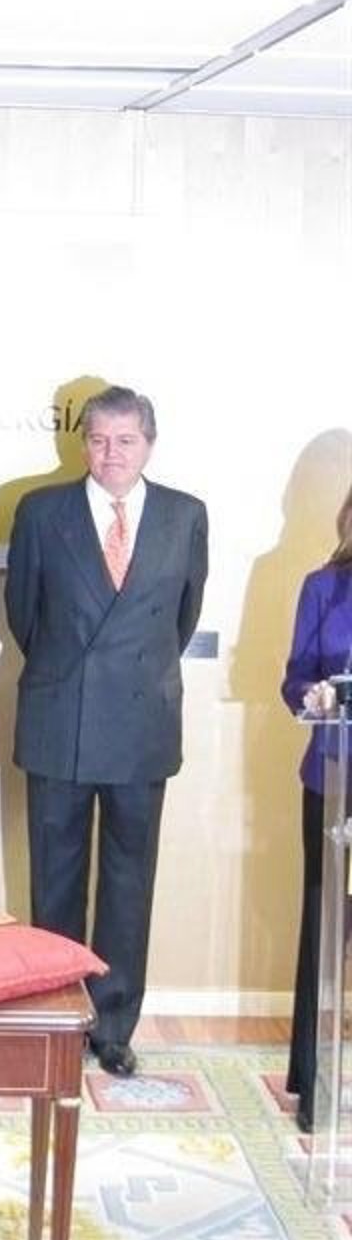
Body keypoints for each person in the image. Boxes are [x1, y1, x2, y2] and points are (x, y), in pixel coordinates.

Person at [5, 385, 208, 1078]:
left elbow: (181, 618)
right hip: (59, 717)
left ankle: (115, 1026)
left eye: (125, 440)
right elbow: (26, 617)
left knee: (129, 882)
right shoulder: (41, 512)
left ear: (149, 443)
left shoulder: (185, 515)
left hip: (143, 725)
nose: (111, 453)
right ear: (82, 443)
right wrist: (71, 676)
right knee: (55, 880)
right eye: (97, 440)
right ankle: (57, 1014)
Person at [279, 484, 352, 1133]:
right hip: (333, 775)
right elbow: (294, 678)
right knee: (324, 922)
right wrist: (315, 695)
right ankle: (312, 1077)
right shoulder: (323, 587)